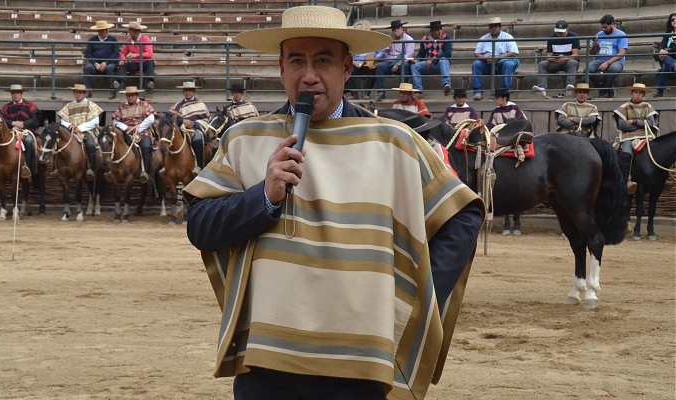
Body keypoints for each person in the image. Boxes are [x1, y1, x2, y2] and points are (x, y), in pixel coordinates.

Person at [182, 6, 483, 400]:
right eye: (297, 61)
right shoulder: (245, 139)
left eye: (323, 60)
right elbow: (200, 226)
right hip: (268, 364)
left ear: (347, 68)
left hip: (361, 365)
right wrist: (264, 196)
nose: (309, 75)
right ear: (281, 68)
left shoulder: (393, 142)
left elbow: (462, 215)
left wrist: (414, 303)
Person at [613, 83, 659, 194]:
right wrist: (641, 124)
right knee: (626, 153)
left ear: (643, 95)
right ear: (631, 93)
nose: (638, 95)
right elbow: (622, 125)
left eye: (641, 93)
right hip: (628, 136)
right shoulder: (624, 107)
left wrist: (633, 121)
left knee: (657, 152)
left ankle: (660, 179)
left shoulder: (647, 106)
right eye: (636, 92)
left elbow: (651, 122)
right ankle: (625, 180)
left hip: (646, 135)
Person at [57, 84, 104, 182]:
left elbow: (95, 121)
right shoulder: (69, 106)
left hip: (87, 131)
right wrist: (70, 126)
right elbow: (63, 120)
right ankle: (57, 169)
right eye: (76, 92)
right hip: (70, 131)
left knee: (90, 144)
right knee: (58, 144)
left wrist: (80, 128)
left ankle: (91, 169)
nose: (78, 95)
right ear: (74, 93)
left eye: (80, 93)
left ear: (84, 93)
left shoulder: (91, 105)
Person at [0, 84, 42, 180]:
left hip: (26, 131)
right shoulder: (6, 107)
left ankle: (26, 167)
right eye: (13, 93)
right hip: (10, 131)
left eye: (17, 93)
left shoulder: (30, 105)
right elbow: (1, 120)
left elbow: (34, 119)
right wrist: (13, 123)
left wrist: (23, 125)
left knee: (29, 142)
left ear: (21, 94)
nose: (15, 95)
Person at [112, 86, 156, 184]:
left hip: (142, 132)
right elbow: (115, 121)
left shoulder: (144, 104)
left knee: (145, 146)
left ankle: (146, 172)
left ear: (137, 95)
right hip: (125, 133)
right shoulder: (122, 107)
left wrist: (138, 128)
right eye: (128, 95)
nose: (130, 97)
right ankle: (112, 171)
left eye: (132, 95)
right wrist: (125, 128)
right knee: (114, 145)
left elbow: (151, 118)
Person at [472, 17, 520, 101]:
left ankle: (504, 92)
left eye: (496, 26)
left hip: (502, 62)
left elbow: (513, 53)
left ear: (500, 27)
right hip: (487, 62)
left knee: (508, 64)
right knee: (476, 64)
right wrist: (486, 58)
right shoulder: (484, 38)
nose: (494, 28)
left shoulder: (507, 37)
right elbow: (477, 53)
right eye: (492, 26)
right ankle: (478, 91)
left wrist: (498, 58)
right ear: (489, 28)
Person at [169, 81, 211, 174]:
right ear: (183, 92)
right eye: (185, 90)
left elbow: (206, 120)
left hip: (195, 130)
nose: (187, 92)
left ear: (194, 92)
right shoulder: (177, 105)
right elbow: (170, 118)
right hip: (180, 130)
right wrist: (183, 121)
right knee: (168, 139)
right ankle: (167, 166)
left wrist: (193, 124)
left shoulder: (200, 105)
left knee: (197, 139)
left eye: (190, 90)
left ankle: (199, 166)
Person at [532, 20, 580, 98]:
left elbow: (575, 55)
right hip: (555, 62)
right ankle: (542, 88)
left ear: (567, 30)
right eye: (558, 32)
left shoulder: (574, 36)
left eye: (561, 32)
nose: (559, 34)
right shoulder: (551, 38)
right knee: (542, 64)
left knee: (572, 62)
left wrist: (564, 58)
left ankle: (570, 87)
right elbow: (548, 55)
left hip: (568, 62)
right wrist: (553, 59)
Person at [588, 14, 627, 99]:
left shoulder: (621, 34)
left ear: (612, 24)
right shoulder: (599, 34)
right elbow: (592, 53)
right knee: (588, 69)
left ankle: (603, 92)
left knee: (613, 69)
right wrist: (594, 47)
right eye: (602, 27)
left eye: (606, 27)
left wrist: (607, 63)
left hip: (616, 60)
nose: (603, 29)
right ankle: (608, 87)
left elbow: (622, 53)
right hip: (601, 59)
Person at [374, 20, 414, 101]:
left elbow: (408, 55)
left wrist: (397, 64)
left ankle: (403, 92)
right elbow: (383, 51)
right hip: (389, 62)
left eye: (398, 28)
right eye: (394, 29)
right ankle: (381, 92)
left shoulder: (409, 39)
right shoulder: (389, 38)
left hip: (402, 62)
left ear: (402, 28)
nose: (396, 30)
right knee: (379, 67)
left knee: (405, 67)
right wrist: (390, 41)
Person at [410, 20, 453, 96]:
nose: (439, 31)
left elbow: (447, 53)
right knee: (414, 66)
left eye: (440, 29)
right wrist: (416, 59)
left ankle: (446, 84)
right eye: (437, 30)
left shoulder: (446, 37)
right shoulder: (425, 39)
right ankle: (418, 90)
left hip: (441, 64)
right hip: (429, 64)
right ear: (431, 31)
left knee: (443, 60)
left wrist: (433, 59)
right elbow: (421, 54)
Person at [344, 20, 384, 100]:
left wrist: (371, 59)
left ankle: (367, 93)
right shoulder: (353, 43)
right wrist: (354, 62)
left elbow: (381, 53)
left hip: (368, 64)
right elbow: (349, 54)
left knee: (373, 70)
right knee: (346, 70)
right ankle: (354, 93)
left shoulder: (374, 41)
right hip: (356, 64)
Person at [115, 21, 155, 96]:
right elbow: (123, 52)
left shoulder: (146, 39)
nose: (129, 32)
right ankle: (122, 83)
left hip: (144, 62)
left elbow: (149, 54)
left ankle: (149, 83)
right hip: (134, 63)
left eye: (131, 30)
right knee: (122, 63)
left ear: (136, 31)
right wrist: (123, 59)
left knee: (150, 61)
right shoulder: (129, 40)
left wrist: (136, 55)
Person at [83, 20, 119, 100]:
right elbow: (88, 54)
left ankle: (112, 91)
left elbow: (115, 54)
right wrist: (96, 63)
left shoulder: (113, 40)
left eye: (107, 29)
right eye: (104, 29)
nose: (107, 31)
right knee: (87, 68)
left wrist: (106, 62)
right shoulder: (92, 40)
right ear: (99, 31)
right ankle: (88, 90)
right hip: (96, 64)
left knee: (110, 68)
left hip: (109, 63)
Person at [654, 13, 676, 98]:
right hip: (667, 58)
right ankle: (673, 65)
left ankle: (659, 90)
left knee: (665, 67)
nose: (674, 21)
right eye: (672, 19)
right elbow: (662, 44)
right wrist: (661, 50)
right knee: (663, 56)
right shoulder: (668, 33)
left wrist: (667, 52)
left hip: (669, 57)